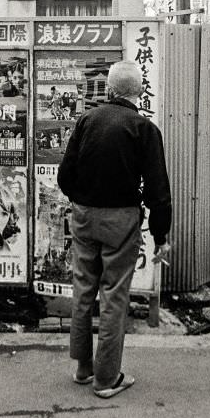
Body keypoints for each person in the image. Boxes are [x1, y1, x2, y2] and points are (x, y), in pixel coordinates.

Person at [58, 60, 172, 399]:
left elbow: (66, 176)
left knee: (83, 289)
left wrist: (81, 202)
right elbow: (158, 193)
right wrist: (162, 237)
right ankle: (107, 379)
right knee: (113, 296)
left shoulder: (87, 121)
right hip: (120, 219)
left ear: (109, 89)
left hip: (83, 216)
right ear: (139, 91)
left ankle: (82, 368)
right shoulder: (143, 129)